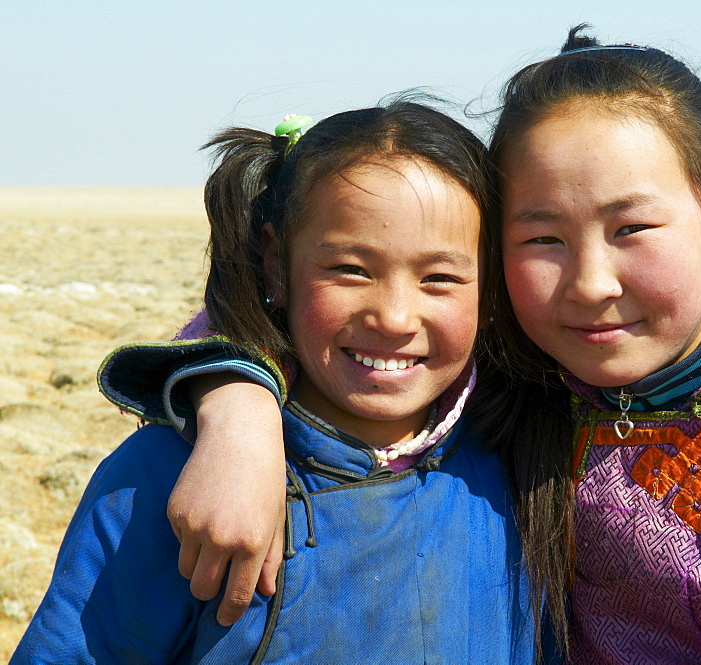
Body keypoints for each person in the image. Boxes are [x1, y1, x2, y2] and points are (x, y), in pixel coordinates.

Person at [87, 27, 701, 664]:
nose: (590, 282)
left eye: (633, 226)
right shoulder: (527, 379)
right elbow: (298, 322)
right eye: (541, 239)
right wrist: (239, 408)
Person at [12, 101, 541, 664]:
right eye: (351, 270)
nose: (393, 317)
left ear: (492, 288)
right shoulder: (167, 477)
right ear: (275, 263)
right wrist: (236, 415)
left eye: (439, 278)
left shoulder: (520, 456)